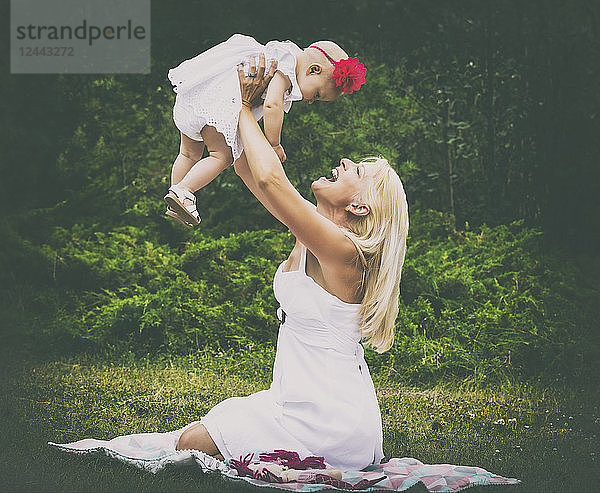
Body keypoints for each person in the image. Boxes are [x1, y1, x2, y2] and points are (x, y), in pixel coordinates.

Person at [175, 55, 409, 472]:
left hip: (329, 422)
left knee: (192, 442)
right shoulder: (315, 233)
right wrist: (237, 107)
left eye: (354, 170)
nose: (342, 163)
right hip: (298, 403)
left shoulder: (344, 252)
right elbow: (251, 170)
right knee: (191, 441)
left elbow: (271, 180)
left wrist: (246, 107)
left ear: (358, 206)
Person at [164, 33, 366, 227]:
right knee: (221, 157)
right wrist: (274, 144)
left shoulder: (284, 52)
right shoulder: (287, 66)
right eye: (317, 94)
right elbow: (272, 105)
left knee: (188, 153)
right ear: (313, 70)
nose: (311, 101)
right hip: (219, 102)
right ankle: (184, 190)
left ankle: (175, 195)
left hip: (195, 97)